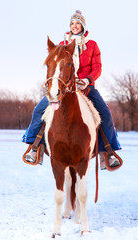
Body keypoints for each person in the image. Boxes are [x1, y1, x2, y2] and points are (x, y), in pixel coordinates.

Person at [22, 10, 121, 170]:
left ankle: (107, 153)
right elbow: (54, 66)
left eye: (78, 23)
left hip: (86, 88)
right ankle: (35, 147)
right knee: (39, 110)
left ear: (82, 26)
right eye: (72, 23)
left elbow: (97, 67)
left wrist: (87, 80)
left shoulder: (92, 45)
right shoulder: (61, 46)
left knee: (105, 114)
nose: (75, 26)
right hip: (64, 88)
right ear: (70, 26)